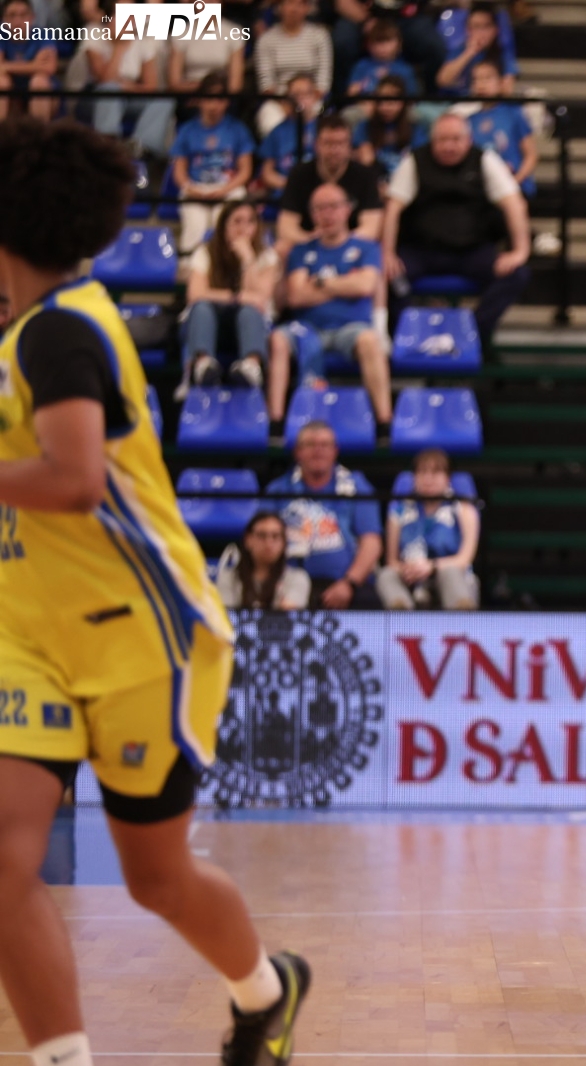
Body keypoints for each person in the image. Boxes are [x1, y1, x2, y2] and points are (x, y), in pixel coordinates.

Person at [0, 116, 310, 1066]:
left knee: (156, 877)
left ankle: (266, 991)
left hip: (144, 635)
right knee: (2, 866)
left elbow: (74, 479)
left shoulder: (60, 332)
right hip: (31, 636)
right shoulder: (31, 325)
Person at [382, 112, 534, 351]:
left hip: (472, 253)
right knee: (387, 276)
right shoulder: (414, 160)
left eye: (456, 139)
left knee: (517, 274)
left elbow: (514, 203)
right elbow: (393, 208)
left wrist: (520, 251)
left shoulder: (485, 160)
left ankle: (471, 335)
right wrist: (388, 253)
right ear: (432, 141)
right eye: (443, 140)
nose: (449, 146)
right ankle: (410, 339)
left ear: (468, 139)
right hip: (422, 252)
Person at [269, 183, 391, 440]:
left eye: (333, 206)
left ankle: (384, 424)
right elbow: (296, 296)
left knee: (370, 341)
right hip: (307, 328)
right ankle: (275, 423)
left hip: (351, 329)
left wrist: (320, 282)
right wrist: (346, 284)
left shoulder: (367, 248)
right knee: (278, 338)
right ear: (312, 214)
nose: (327, 214)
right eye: (320, 208)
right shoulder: (302, 250)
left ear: (347, 210)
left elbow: (366, 285)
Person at [266, 419, 384, 609]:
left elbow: (372, 543)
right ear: (297, 452)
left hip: (345, 583)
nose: (318, 451)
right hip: (290, 583)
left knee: (370, 601)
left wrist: (349, 584)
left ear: (335, 451)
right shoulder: (278, 490)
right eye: (310, 445)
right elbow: (262, 539)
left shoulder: (357, 487)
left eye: (324, 445)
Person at [181, 201, 281, 395]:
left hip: (248, 326)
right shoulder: (205, 252)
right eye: (237, 222)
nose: (244, 229)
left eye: (250, 222)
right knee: (202, 307)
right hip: (210, 324)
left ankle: (251, 367)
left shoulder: (267, 256)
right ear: (224, 226)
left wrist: (248, 260)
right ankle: (204, 366)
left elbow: (260, 298)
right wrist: (236, 297)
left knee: (250, 310)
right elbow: (195, 294)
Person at [377, 448, 481, 610]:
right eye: (422, 472)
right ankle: (402, 618)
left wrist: (431, 567)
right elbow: (392, 561)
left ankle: (461, 618)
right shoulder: (398, 511)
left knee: (450, 573)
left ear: (448, 478)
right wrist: (411, 570)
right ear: (414, 477)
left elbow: (465, 559)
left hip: (452, 575)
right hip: (411, 578)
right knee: (386, 575)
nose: (428, 478)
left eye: (436, 472)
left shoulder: (464, 509)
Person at [169, 71, 256, 258]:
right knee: (195, 226)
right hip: (195, 188)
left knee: (224, 222)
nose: (214, 105)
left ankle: (228, 265)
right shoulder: (187, 130)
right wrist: (191, 189)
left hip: (229, 188)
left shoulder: (237, 129)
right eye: (209, 99)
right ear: (200, 101)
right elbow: (179, 172)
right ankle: (189, 268)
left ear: (226, 102)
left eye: (219, 100)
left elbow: (245, 171)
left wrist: (224, 189)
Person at [276, 114, 386, 256]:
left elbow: (371, 228)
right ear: (316, 145)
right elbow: (286, 227)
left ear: (349, 146)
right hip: (308, 244)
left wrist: (337, 241)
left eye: (341, 143)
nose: (335, 150)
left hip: (352, 248)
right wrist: (314, 241)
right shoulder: (299, 174)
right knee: (281, 248)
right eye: (328, 143)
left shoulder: (365, 175)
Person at [83, 30, 173, 164]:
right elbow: (104, 80)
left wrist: (125, 87)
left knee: (164, 100)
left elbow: (151, 87)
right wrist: (119, 49)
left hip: (130, 96)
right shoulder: (94, 36)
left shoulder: (144, 42)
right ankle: (108, 142)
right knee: (110, 89)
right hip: (96, 98)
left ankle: (141, 147)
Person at [459, 57, 538, 199]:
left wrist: (514, 182)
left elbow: (531, 155)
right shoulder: (469, 120)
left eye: (487, 78)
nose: (481, 84)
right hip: (482, 190)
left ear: (501, 82)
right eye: (476, 79)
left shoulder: (514, 113)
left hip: (515, 188)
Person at [254, 0, 333, 136]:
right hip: (279, 100)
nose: (294, 9)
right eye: (289, 3)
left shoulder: (320, 36)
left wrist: (307, 100)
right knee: (269, 118)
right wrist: (287, 104)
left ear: (307, 8)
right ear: (280, 7)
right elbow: (266, 84)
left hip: (312, 97)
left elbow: (323, 80)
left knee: (322, 117)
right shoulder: (266, 39)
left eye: (300, 4)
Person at [215, 512, 313, 610]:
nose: (268, 543)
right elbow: (225, 616)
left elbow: (288, 615)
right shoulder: (227, 578)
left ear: (284, 543)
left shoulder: (298, 578)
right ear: (248, 540)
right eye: (262, 535)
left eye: (275, 536)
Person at [256, 72, 323, 201]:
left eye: (306, 94)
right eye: (296, 95)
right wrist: (290, 184)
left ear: (315, 97)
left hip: (319, 192)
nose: (301, 99)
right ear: (287, 99)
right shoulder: (277, 132)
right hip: (284, 193)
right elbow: (267, 172)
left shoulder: (324, 128)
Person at [354, 73, 429, 181]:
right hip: (374, 181)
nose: (385, 107)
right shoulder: (364, 127)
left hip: (406, 183)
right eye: (381, 101)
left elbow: (418, 164)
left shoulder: (416, 129)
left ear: (403, 102)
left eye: (392, 101)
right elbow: (366, 162)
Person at [0, 0, 58, 121]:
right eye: (12, 15)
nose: (18, 21)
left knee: (39, 81)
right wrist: (34, 65)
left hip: (40, 91)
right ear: (4, 20)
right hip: (12, 91)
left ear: (32, 17)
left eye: (23, 15)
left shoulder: (42, 34)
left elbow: (49, 68)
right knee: (2, 82)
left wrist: (6, 66)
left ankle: (39, 131)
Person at [347, 16, 419, 101]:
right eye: (378, 42)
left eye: (387, 41)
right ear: (368, 45)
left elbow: (412, 98)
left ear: (399, 44)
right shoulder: (362, 66)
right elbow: (351, 93)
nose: (383, 47)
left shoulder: (405, 69)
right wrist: (366, 83)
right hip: (365, 104)